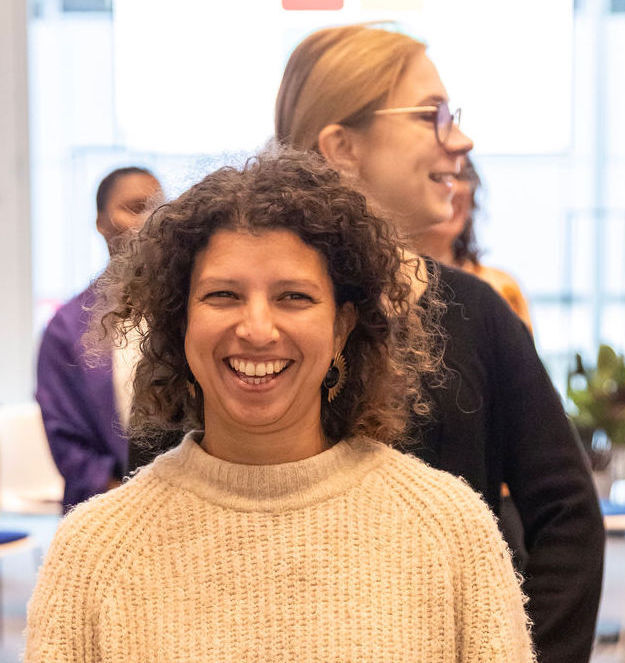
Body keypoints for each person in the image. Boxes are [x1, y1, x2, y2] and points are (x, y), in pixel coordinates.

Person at [25, 149, 534, 663]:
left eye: (294, 297)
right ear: (180, 324)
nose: (257, 329)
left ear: (342, 327)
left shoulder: (450, 531)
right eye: (223, 294)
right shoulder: (92, 554)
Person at [274, 24, 604, 663]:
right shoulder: (228, 319)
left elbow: (567, 514)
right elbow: (160, 493)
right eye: (433, 115)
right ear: (342, 145)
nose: (461, 139)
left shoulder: (476, 311)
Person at [35, 166, 163, 510]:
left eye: (157, 208)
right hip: (101, 509)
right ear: (101, 222)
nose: (148, 220)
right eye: (134, 207)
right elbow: (65, 439)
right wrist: (127, 500)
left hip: (184, 504)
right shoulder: (66, 328)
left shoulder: (185, 311)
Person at [416, 155, 533, 331]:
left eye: (461, 176)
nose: (453, 188)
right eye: (439, 177)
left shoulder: (503, 288)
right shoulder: (386, 286)